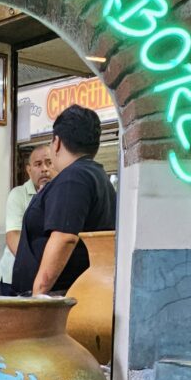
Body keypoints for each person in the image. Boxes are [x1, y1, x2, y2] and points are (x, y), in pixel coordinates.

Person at [12, 105, 116, 296]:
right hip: (73, 291)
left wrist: (38, 295)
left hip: (58, 296)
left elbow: (65, 238)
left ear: (57, 142)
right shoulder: (95, 175)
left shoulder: (73, 178)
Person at [0, 145, 53, 295]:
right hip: (15, 275)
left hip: (45, 273)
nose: (44, 169)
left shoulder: (61, 194)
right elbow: (13, 235)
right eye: (38, 164)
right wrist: (34, 267)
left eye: (49, 163)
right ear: (29, 170)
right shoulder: (18, 195)